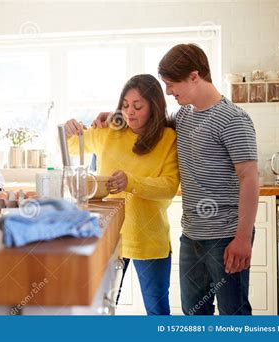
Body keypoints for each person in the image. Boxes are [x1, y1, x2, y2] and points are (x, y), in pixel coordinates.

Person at [93, 44, 259, 315]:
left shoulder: (234, 120)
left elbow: (250, 178)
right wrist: (117, 116)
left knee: (234, 313)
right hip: (191, 235)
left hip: (226, 236)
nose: (168, 91)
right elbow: (151, 121)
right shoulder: (183, 117)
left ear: (194, 76)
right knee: (193, 312)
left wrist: (243, 238)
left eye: (171, 84)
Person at [65, 74, 180, 315]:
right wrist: (68, 130)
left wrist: (131, 181)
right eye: (125, 105)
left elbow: (168, 186)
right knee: (102, 308)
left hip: (149, 240)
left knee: (158, 311)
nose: (130, 112)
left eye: (138, 106)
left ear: (154, 107)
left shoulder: (168, 138)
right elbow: (72, 146)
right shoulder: (109, 130)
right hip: (108, 235)